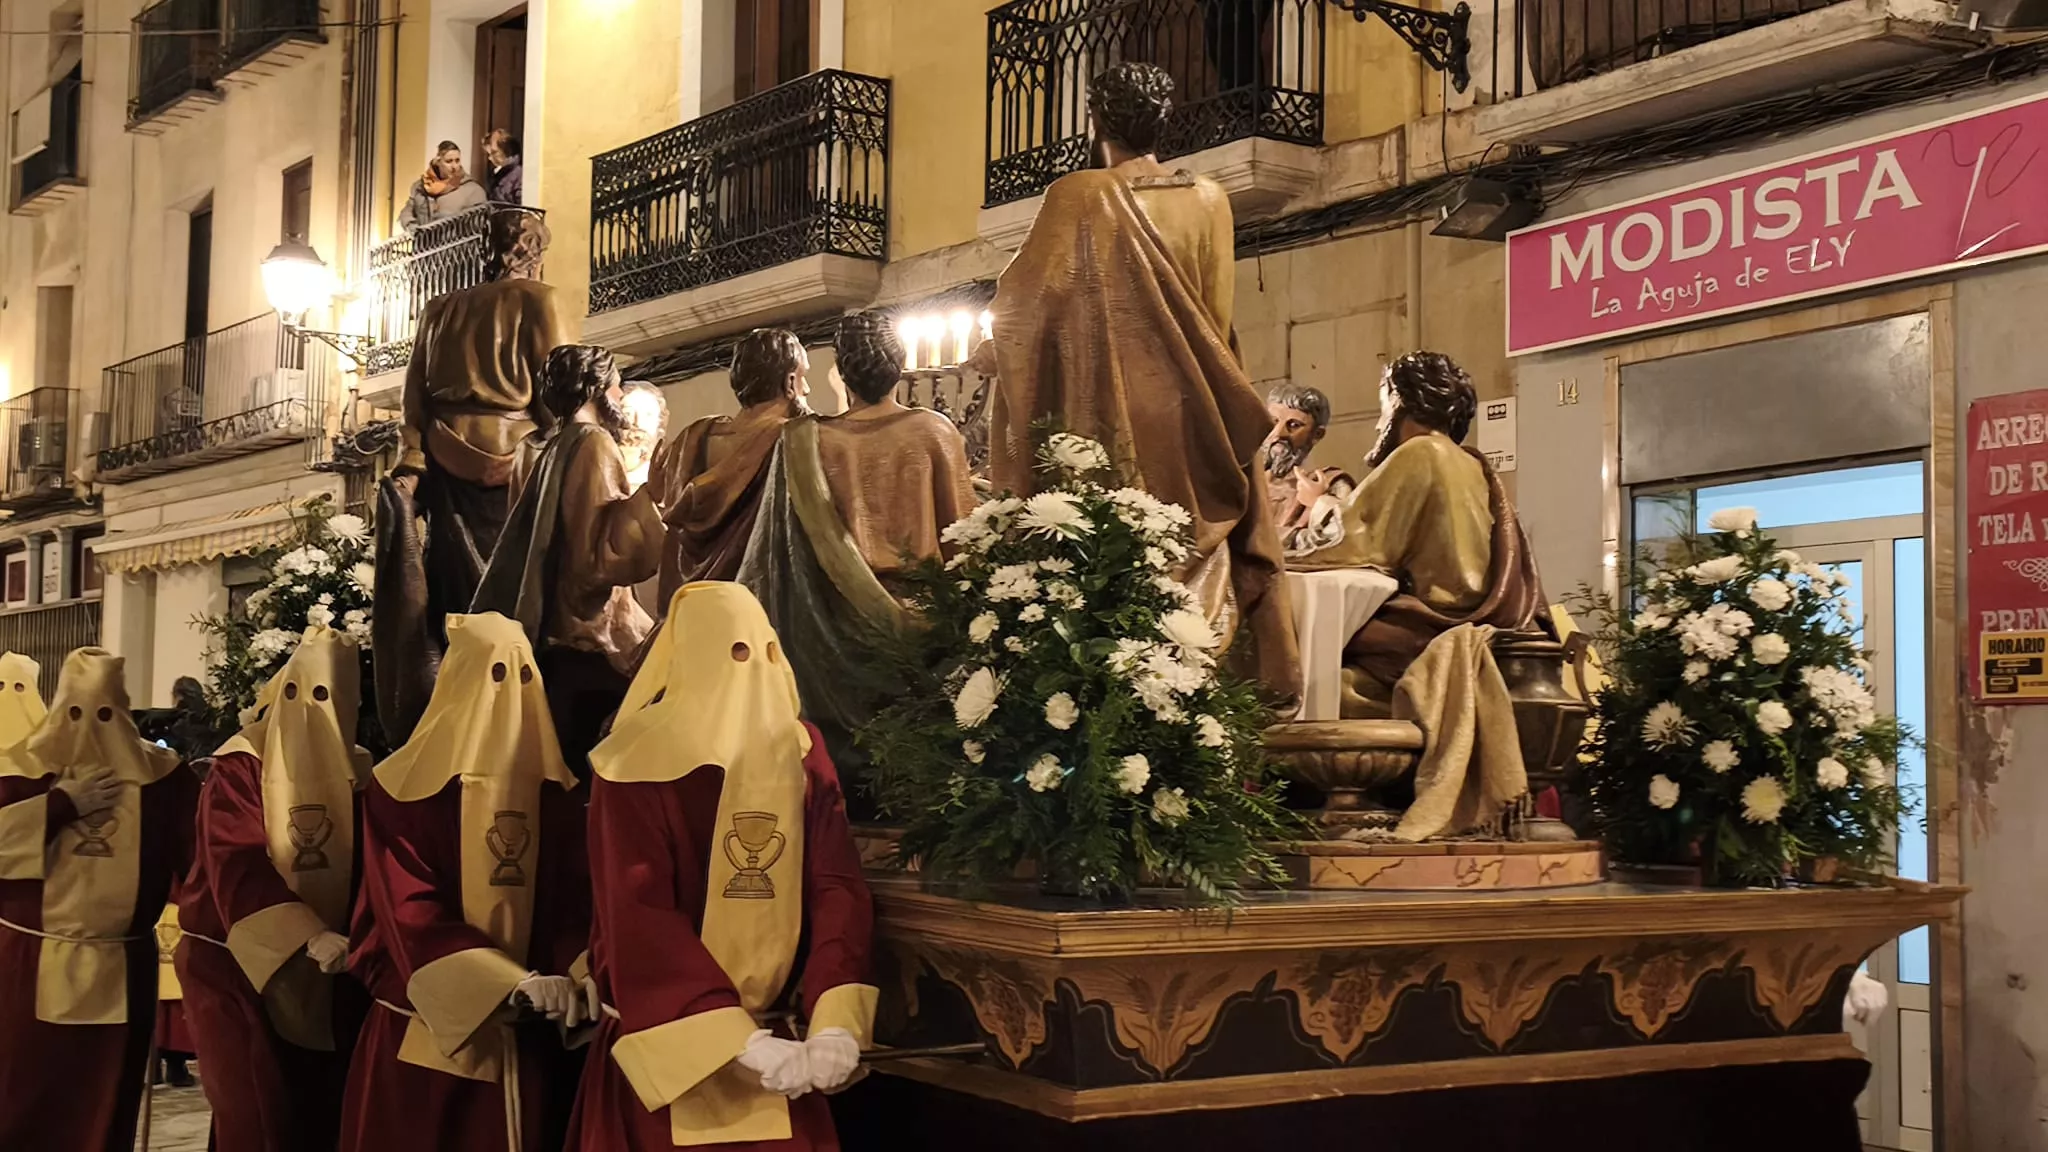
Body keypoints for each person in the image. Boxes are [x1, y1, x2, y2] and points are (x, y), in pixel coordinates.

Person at [981, 62, 1300, 705]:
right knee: (1188, 566)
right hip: (1192, 425)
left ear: (1096, 122)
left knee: (1107, 570)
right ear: (1163, 122)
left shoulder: (1076, 196)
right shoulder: (1210, 200)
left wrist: (997, 354)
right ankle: (1192, 716)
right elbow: (1215, 320)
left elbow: (1021, 312)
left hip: (1102, 426)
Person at [571, 582, 875, 1152]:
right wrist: (733, 1039)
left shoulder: (802, 754)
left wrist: (835, 1016)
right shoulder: (635, 760)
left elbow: (836, 886)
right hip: (670, 1046)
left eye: (762, 650)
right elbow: (639, 916)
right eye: (735, 651)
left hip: (786, 1054)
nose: (751, 668)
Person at [342, 612, 593, 1152]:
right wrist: (506, 980)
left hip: (532, 1041)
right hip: (429, 1033)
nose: (507, 694)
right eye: (493, 675)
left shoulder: (558, 795)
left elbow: (576, 905)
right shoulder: (402, 791)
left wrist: (577, 971)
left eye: (522, 675)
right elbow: (409, 910)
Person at [737, 310, 974, 772]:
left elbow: (772, 557)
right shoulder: (934, 431)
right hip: (926, 639)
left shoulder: (804, 442)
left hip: (830, 633)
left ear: (841, 370)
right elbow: (964, 542)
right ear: (901, 365)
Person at [377, 208, 574, 745]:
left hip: (443, 458)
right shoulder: (540, 300)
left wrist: (415, 459)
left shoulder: (439, 310)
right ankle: (509, 714)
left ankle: (454, 706)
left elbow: (412, 397)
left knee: (451, 592)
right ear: (534, 251)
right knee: (513, 593)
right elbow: (559, 386)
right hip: (511, 460)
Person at [177, 628, 372, 1152]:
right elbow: (235, 859)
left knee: (316, 1113)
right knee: (258, 1112)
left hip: (334, 972)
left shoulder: (360, 766)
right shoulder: (241, 764)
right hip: (238, 966)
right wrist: (304, 932)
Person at [0, 647, 196, 1152]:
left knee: (104, 1104)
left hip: (121, 965)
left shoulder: (165, 779)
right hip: (26, 964)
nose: (92, 729)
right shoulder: (18, 771)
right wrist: (60, 806)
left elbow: (198, 863)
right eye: (77, 713)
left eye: (107, 715)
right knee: (24, 1098)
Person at [1295, 351, 1551, 702]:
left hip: (1435, 625)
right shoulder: (1471, 462)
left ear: (1398, 400)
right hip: (1476, 625)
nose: (1377, 424)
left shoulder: (1420, 453)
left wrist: (1316, 505)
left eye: (1382, 406)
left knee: (1309, 676)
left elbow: (1357, 542)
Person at [472, 345, 664, 774]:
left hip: (541, 622)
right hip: (589, 631)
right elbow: (602, 555)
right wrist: (652, 495)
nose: (618, 399)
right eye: (615, 389)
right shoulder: (593, 442)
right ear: (596, 388)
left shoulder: (531, 447)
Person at [649, 329, 811, 602]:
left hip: (693, 607)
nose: (807, 389)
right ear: (790, 382)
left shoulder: (691, 439)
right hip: (758, 614)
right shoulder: (793, 439)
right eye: (804, 378)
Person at [1261, 383, 1356, 557]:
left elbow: (1345, 541)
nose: (1278, 434)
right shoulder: (1242, 483)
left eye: (1294, 425)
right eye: (1273, 421)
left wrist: (1319, 502)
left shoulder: (1333, 484)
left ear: (1317, 434)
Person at [400, 141, 489, 232]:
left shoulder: (473, 190)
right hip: (424, 244)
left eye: (457, 160)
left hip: (453, 244)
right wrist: (410, 225)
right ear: (438, 162)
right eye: (449, 161)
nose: (454, 166)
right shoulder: (420, 187)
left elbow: (479, 226)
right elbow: (406, 212)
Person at [617, 381, 669, 492]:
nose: (638, 423)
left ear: (659, 423)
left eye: (648, 415)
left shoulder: (666, 479)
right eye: (628, 414)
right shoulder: (600, 472)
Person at [482, 130, 523, 206]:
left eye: (494, 152)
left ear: (506, 149)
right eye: (489, 154)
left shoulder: (519, 175)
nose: (490, 158)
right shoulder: (496, 174)